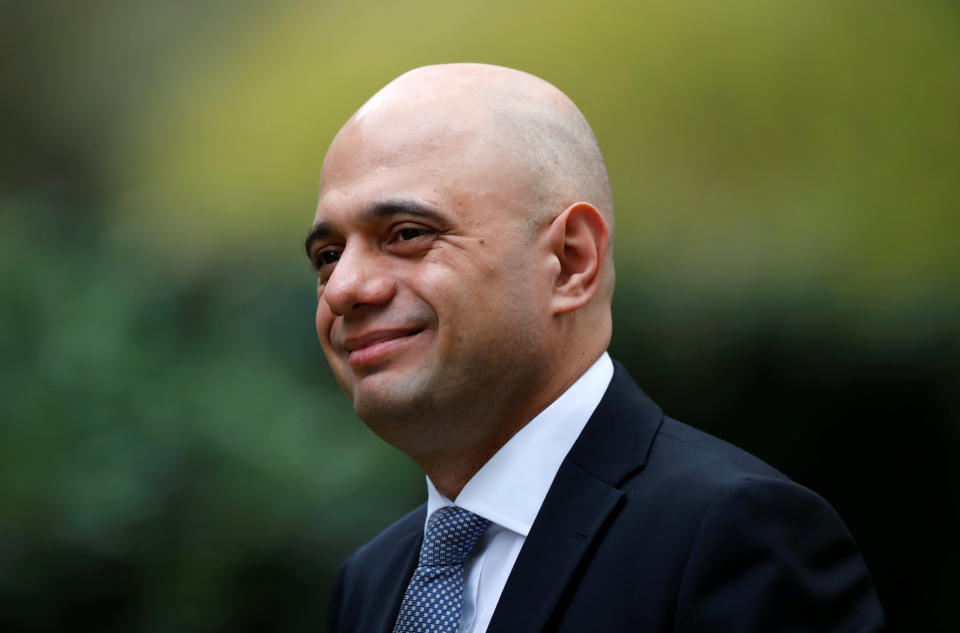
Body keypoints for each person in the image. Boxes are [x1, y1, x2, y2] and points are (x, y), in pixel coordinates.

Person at [305, 63, 885, 633]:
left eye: (408, 233)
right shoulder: (371, 582)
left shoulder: (733, 537)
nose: (347, 288)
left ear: (571, 262)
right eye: (328, 255)